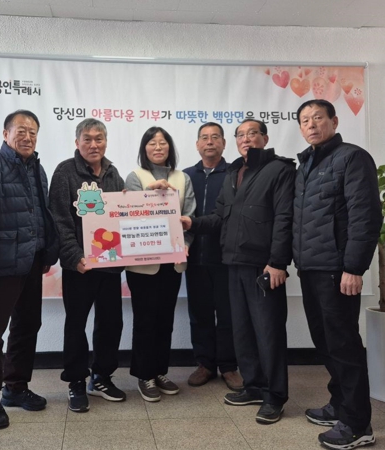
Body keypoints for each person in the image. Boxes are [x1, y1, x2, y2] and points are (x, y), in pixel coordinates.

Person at [182, 119, 294, 424]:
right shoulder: (234, 172)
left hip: (263, 266)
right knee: (242, 330)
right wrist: (192, 223)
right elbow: (219, 216)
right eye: (241, 134)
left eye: (252, 133)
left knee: (268, 332)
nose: (246, 139)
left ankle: (275, 396)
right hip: (233, 263)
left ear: (264, 138)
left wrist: (278, 262)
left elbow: (285, 218)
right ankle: (254, 386)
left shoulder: (279, 170)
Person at [293, 99, 381, 449]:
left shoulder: (352, 158)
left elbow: (365, 216)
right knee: (325, 341)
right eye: (305, 120)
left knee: (343, 344)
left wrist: (353, 268)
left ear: (334, 121)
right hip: (310, 268)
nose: (311, 124)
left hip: (337, 270)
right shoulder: (306, 164)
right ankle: (340, 404)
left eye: (318, 117)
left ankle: (358, 424)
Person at [0, 109, 59, 430]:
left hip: (32, 261)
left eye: (33, 132)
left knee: (27, 324)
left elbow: (41, 215)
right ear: (5, 134)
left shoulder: (38, 169)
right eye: (21, 131)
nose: (28, 137)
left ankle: (15, 387)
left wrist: (47, 251)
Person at [48, 118, 126, 413]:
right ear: (77, 142)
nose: (94, 145)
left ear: (106, 141)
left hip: (109, 265)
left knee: (111, 323)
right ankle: (76, 381)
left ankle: (101, 377)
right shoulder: (65, 172)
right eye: (87, 139)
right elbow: (59, 219)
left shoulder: (113, 173)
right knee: (76, 325)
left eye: (99, 139)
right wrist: (74, 256)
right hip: (79, 267)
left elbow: (120, 216)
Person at [124, 127, 196, 402]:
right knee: (145, 319)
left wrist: (185, 245)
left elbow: (189, 215)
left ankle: (160, 371)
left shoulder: (182, 178)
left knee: (165, 320)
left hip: (172, 262)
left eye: (162, 142)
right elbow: (130, 214)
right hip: (143, 265)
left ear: (169, 147)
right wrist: (149, 193)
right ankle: (144, 375)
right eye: (152, 143)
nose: (157, 147)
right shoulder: (135, 177)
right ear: (144, 148)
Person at [182, 122, 242, 391]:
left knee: (228, 315)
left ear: (224, 143)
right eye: (204, 138)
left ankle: (228, 366)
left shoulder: (235, 174)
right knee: (200, 314)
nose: (210, 142)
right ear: (197, 144)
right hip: (194, 257)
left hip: (226, 258)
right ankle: (205, 364)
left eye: (215, 137)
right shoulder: (185, 176)